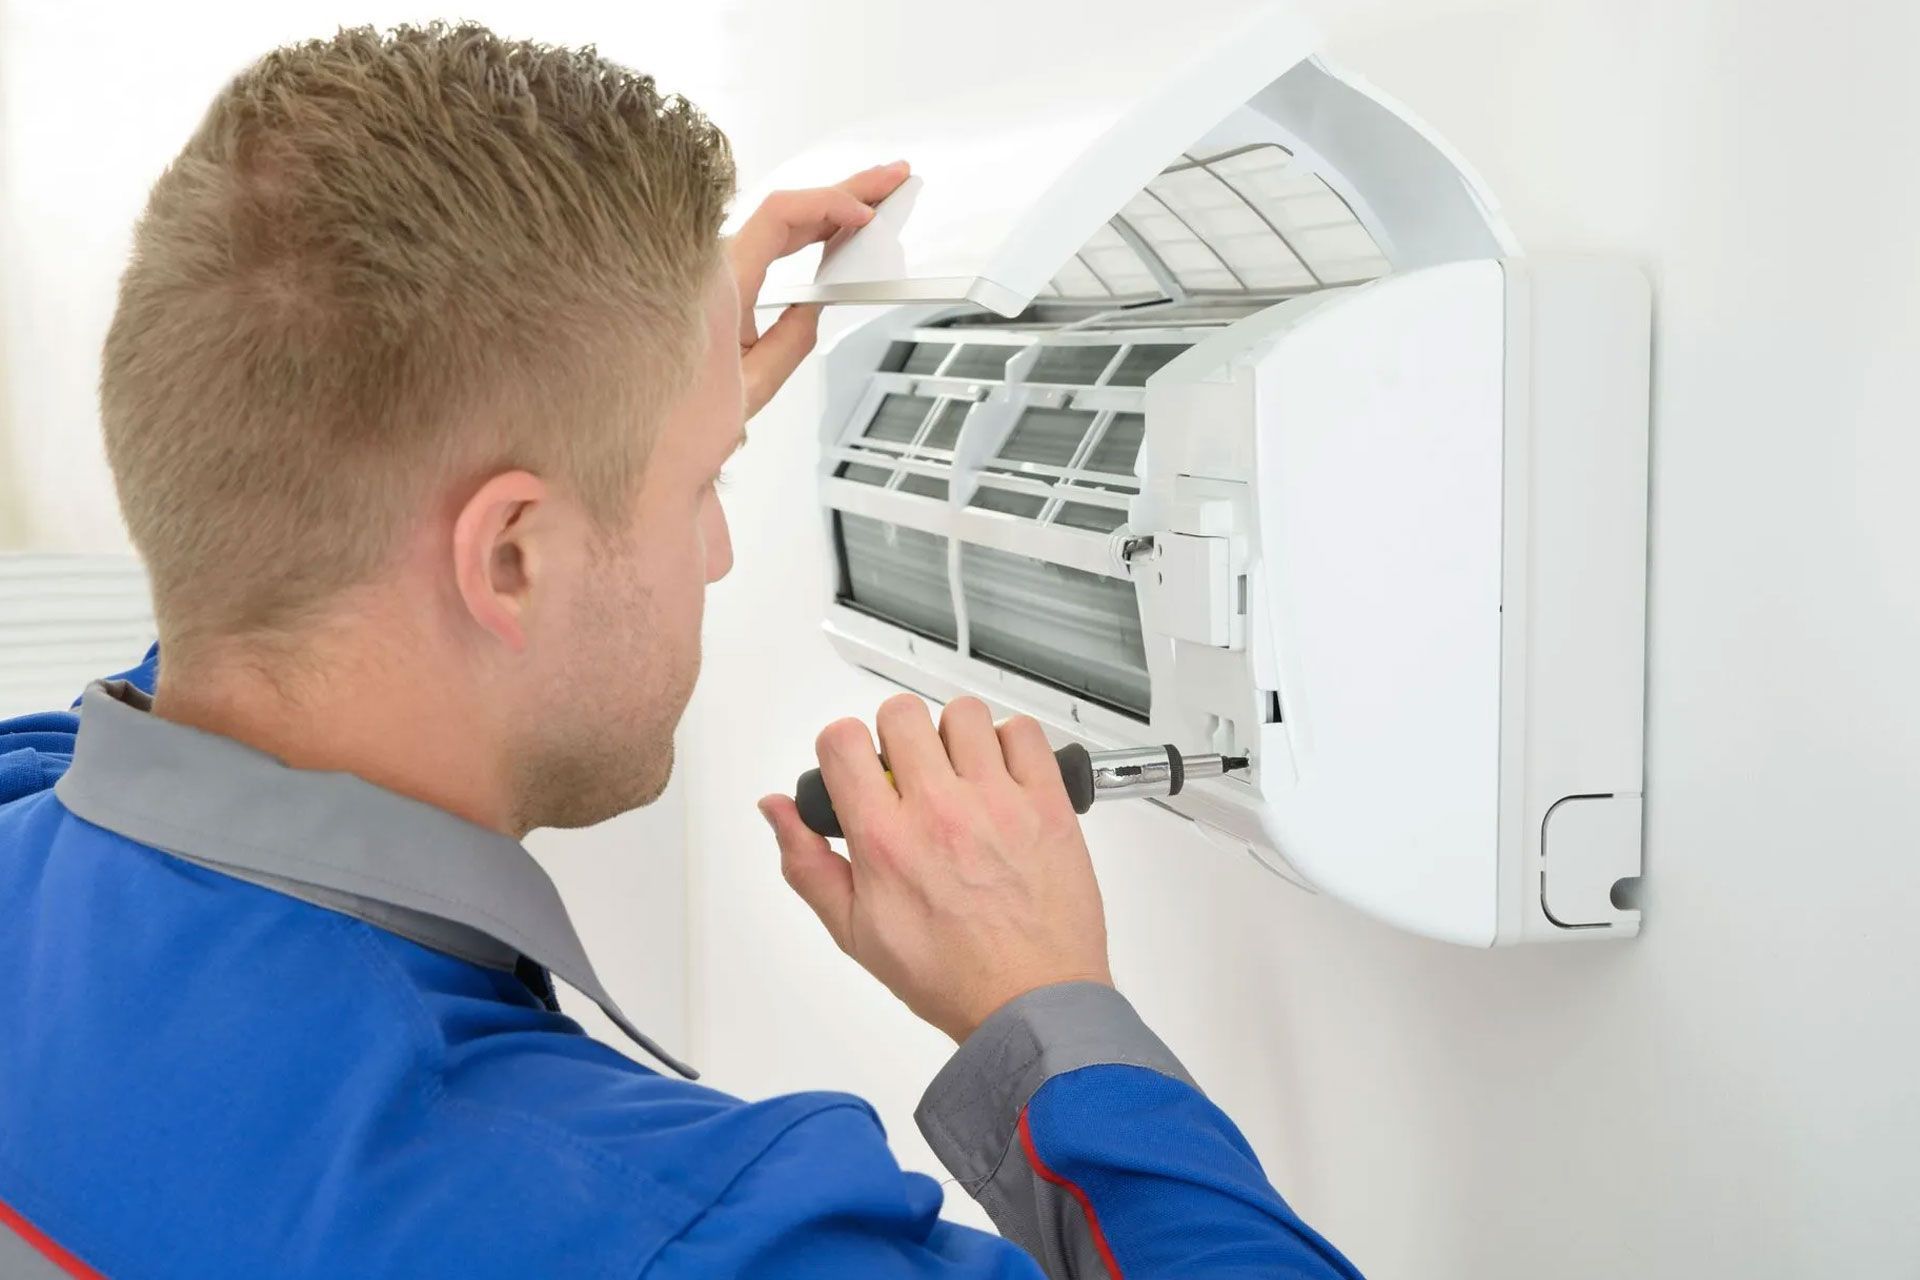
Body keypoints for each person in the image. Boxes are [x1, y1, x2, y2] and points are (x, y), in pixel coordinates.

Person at [0, 23, 1361, 1280]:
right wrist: (1048, 1007)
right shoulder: (671, 1235)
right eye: (703, 483)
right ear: (510, 559)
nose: (714, 551)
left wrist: (625, 387)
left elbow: (282, 579)